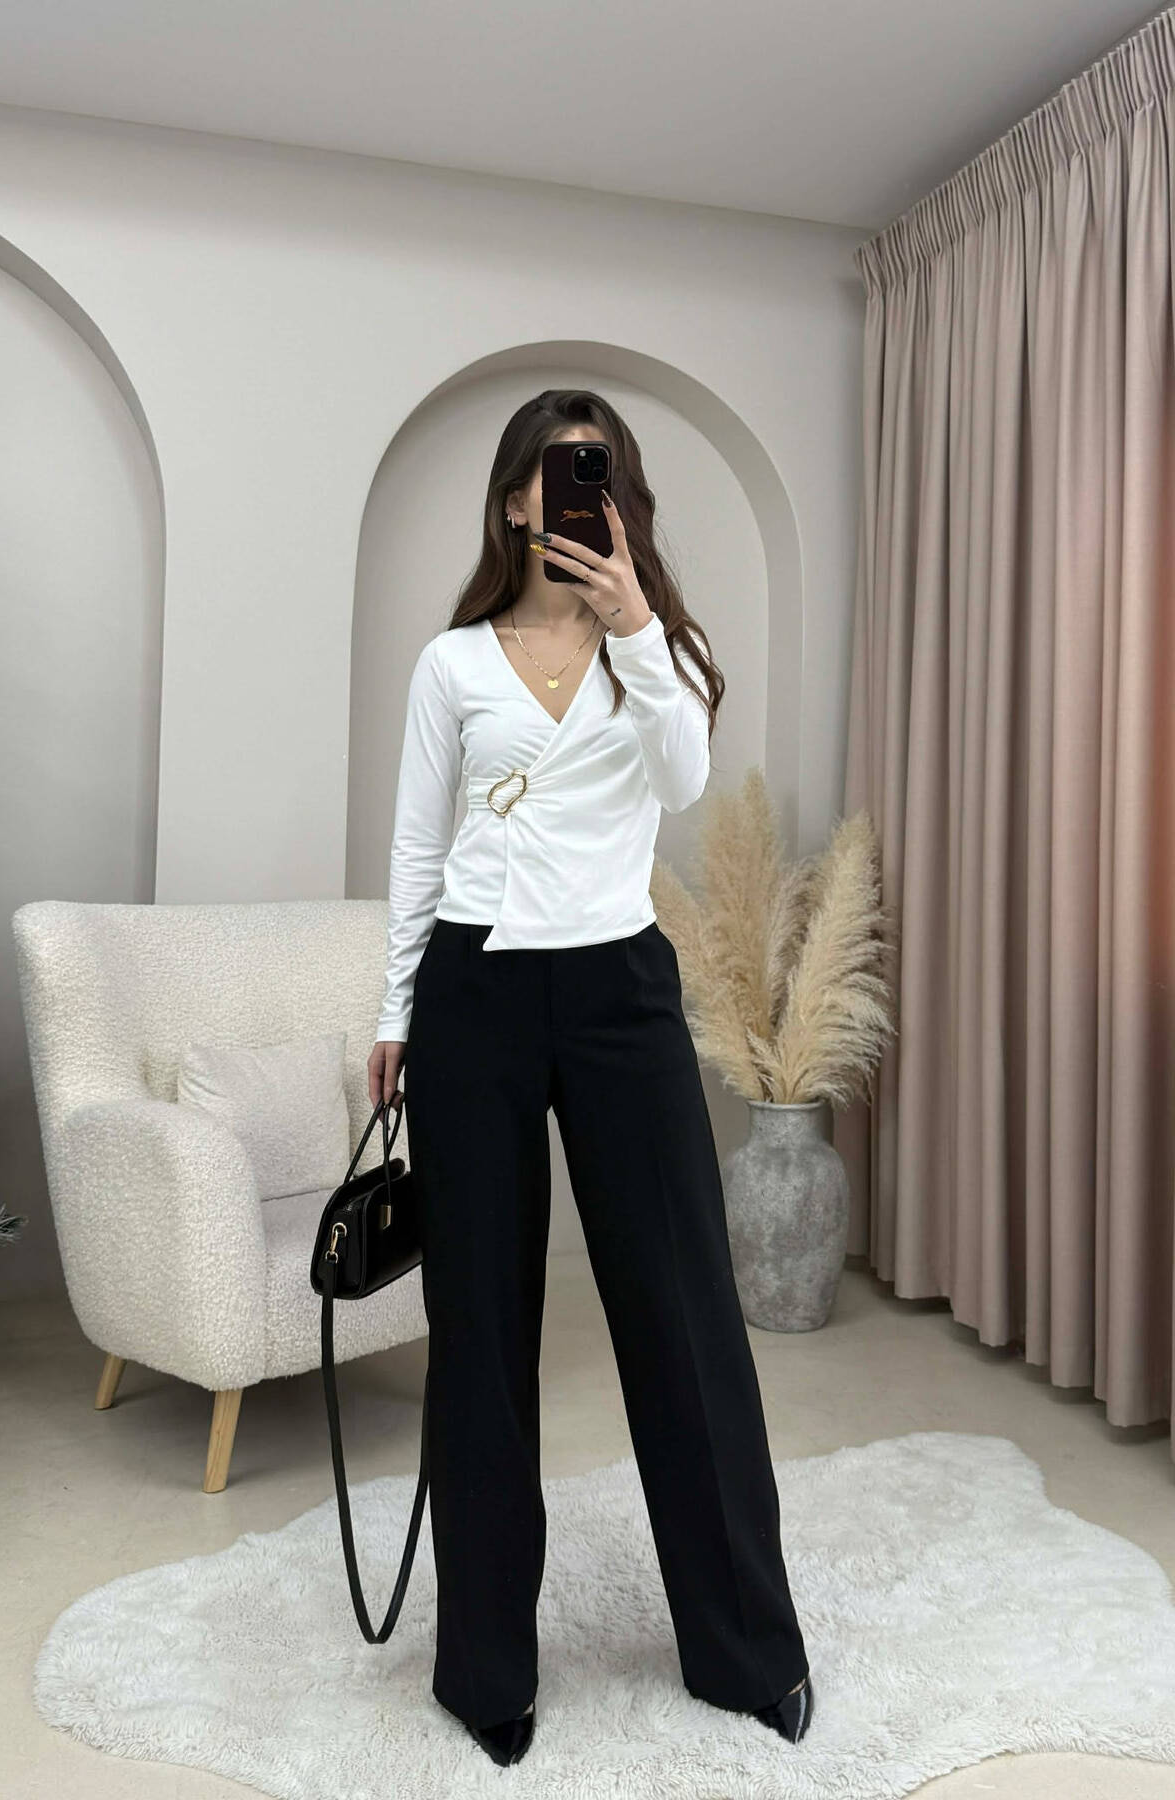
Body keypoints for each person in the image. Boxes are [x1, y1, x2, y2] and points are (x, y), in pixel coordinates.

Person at [367, 390, 813, 1767]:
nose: (578, 498)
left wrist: (635, 629)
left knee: (683, 1312)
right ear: (517, 501)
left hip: (620, 988)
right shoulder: (452, 664)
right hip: (475, 992)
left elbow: (683, 782)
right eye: (559, 478)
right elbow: (418, 847)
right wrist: (392, 1013)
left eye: (602, 478)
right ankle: (486, 1670)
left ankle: (747, 1650)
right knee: (481, 1329)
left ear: (622, 503)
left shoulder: (656, 646)